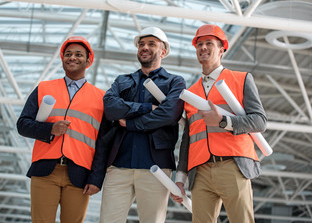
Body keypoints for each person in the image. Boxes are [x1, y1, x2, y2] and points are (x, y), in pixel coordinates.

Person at [171, 24, 267, 223]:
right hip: (200, 171)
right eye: (199, 44)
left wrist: (224, 121)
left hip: (232, 165)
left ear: (222, 50)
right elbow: (187, 141)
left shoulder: (241, 79)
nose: (203, 48)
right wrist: (180, 180)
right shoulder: (190, 93)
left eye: (209, 43)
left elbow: (259, 121)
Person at [16, 36, 108, 223]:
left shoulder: (102, 98)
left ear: (88, 61)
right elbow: (23, 125)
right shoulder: (44, 88)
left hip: (79, 174)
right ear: (62, 59)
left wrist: (96, 178)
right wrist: (50, 129)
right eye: (68, 54)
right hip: (45, 171)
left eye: (78, 54)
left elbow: (103, 143)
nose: (72, 57)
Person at [99, 26, 186, 223]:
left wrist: (130, 123)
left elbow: (169, 115)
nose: (144, 47)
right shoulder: (123, 81)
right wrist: (147, 107)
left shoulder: (175, 82)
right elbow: (110, 108)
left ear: (163, 51)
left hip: (156, 168)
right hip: (119, 165)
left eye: (151, 44)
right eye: (141, 44)